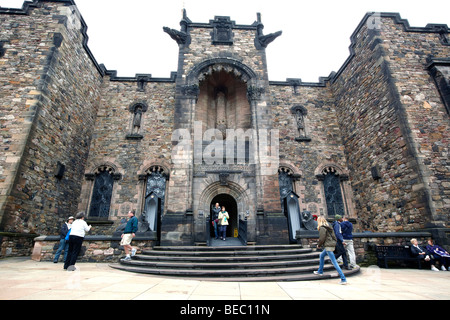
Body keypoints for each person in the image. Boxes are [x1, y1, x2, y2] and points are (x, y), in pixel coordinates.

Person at [314, 216, 347, 285]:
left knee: (334, 262)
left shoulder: (322, 228)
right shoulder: (329, 227)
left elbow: (322, 238)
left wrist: (319, 245)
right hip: (330, 244)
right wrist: (334, 242)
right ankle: (320, 271)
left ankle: (343, 279)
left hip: (328, 246)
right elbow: (334, 236)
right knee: (322, 255)